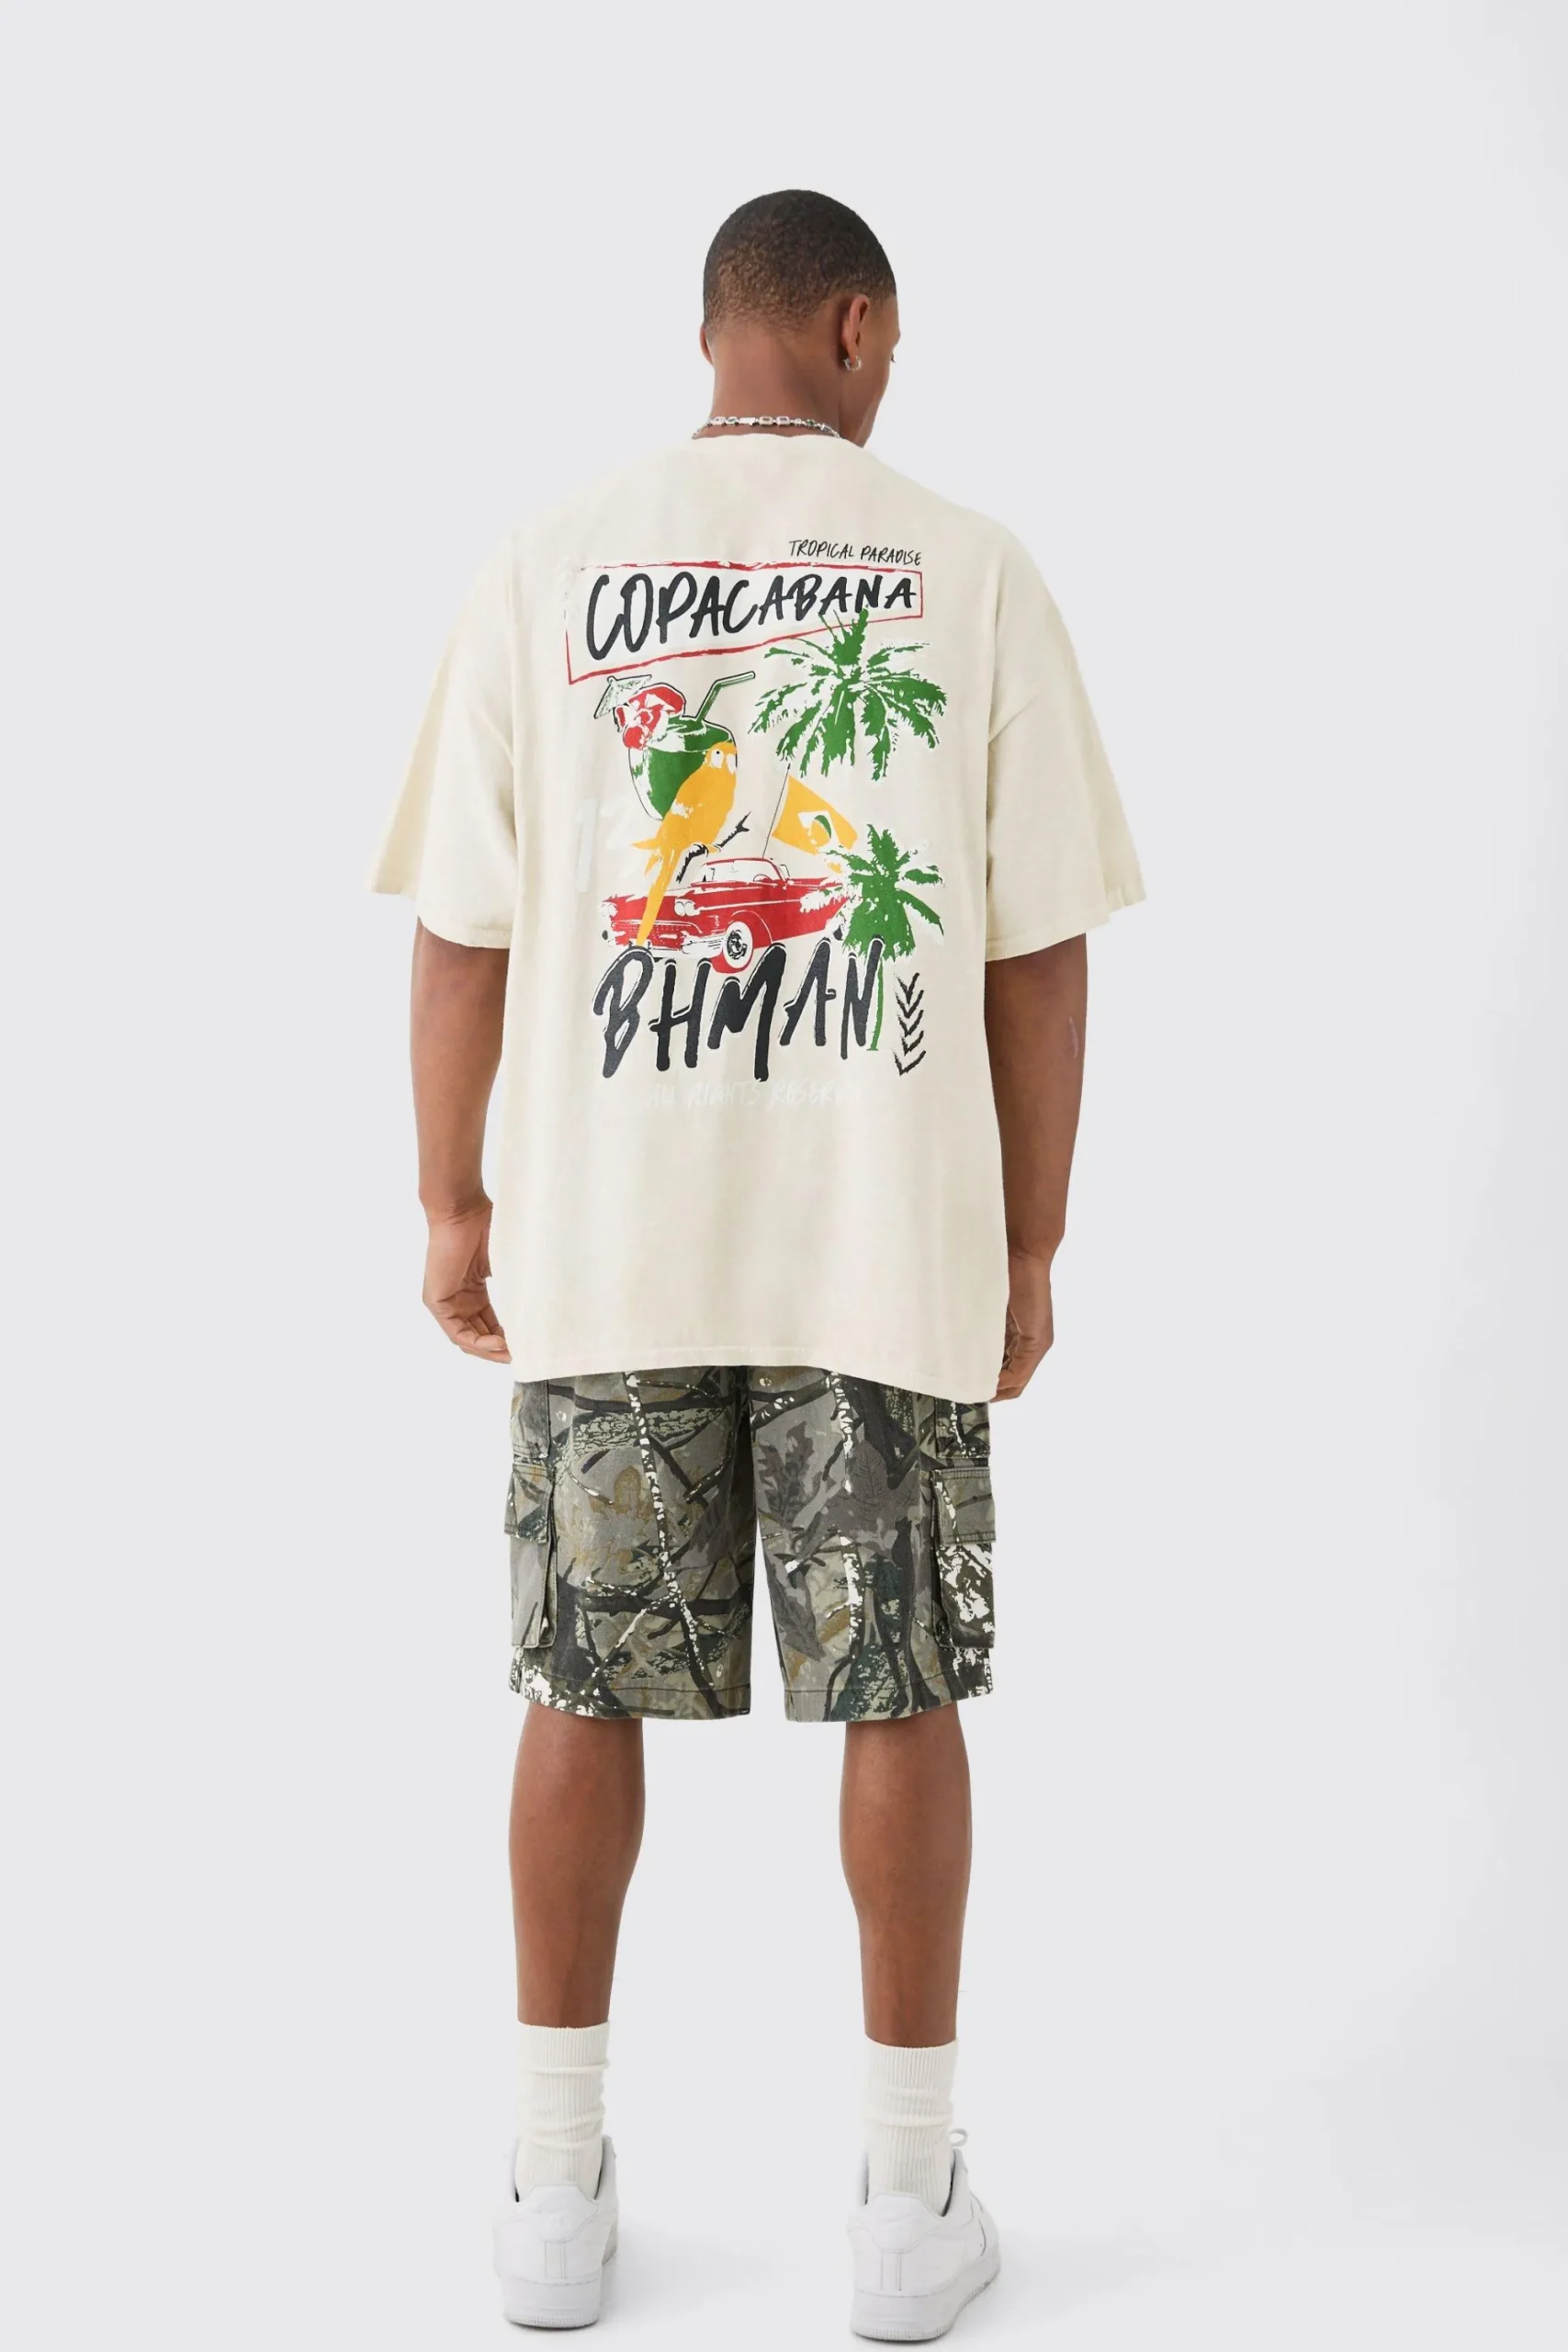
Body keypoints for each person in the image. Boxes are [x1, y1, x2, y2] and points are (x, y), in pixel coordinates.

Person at [370, 188, 1142, 2340]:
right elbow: (1034, 947)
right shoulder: (967, 567)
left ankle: (552, 2184)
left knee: (578, 1680)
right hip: (877, 1237)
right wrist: (1031, 1232)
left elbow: (460, 930)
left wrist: (451, 1202)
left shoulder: (550, 560)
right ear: (852, 326)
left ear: (714, 330)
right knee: (899, 1682)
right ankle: (903, 2199)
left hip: (614, 1238)